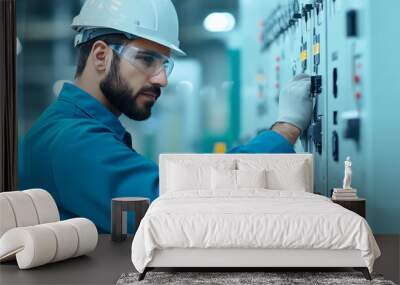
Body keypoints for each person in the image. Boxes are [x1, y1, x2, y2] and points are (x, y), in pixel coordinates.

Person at [18, 0, 313, 233]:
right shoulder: (73, 141)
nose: (161, 79)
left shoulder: (69, 129)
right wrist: (284, 131)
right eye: (146, 59)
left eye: (165, 65)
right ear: (100, 56)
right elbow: (177, 207)